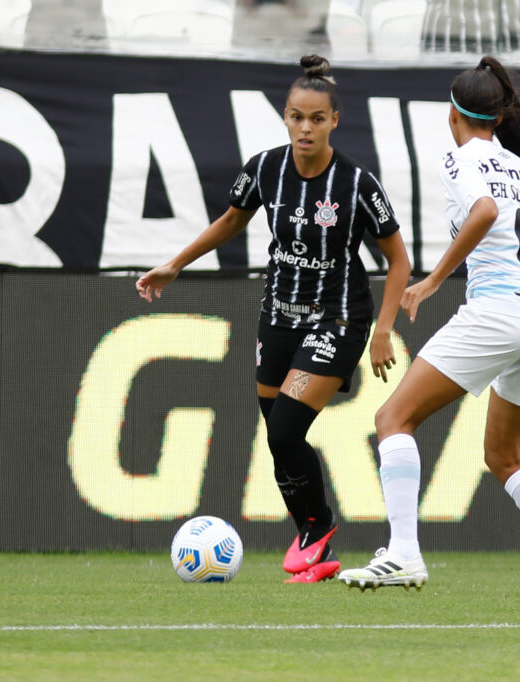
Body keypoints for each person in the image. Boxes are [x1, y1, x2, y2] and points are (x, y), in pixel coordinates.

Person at [137, 55, 411, 584]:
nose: (304, 127)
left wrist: (381, 330)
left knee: (286, 431)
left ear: (334, 120)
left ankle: (316, 526)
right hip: (277, 319)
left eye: (316, 118)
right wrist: (175, 264)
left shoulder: (357, 184)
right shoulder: (265, 168)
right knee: (277, 434)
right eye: (295, 116)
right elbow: (231, 221)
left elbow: (397, 259)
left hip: (338, 320)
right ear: (285, 117)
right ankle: (318, 547)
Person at [338, 56, 520, 598]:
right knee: (504, 456)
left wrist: (434, 279)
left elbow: (482, 212)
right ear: (498, 116)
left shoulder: (461, 158)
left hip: (499, 312)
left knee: (393, 418)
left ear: (453, 113)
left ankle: (405, 554)